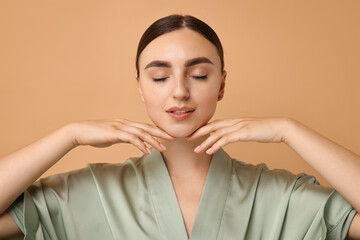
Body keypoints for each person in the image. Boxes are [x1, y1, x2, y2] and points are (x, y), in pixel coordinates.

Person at [0, 14, 359, 240]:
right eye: (159, 76)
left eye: (199, 74)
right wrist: (69, 135)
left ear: (221, 84)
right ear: (140, 86)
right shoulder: (86, 192)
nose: (180, 91)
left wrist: (289, 130)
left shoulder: (281, 197)